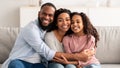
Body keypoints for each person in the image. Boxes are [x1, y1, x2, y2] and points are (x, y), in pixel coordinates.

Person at [2, 2, 94, 68]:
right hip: (20, 61)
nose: (46, 17)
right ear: (39, 14)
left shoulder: (49, 29)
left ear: (53, 18)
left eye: (50, 15)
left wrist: (92, 51)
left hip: (38, 64)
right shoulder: (31, 29)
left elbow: (88, 37)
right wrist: (78, 57)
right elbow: (47, 53)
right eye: (44, 14)